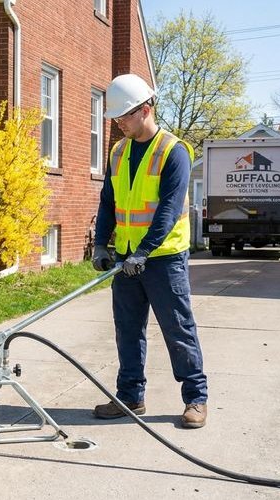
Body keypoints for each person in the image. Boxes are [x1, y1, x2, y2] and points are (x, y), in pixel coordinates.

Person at [91, 73, 208, 428]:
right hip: (128, 257)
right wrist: (100, 243)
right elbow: (108, 201)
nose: (118, 123)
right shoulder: (118, 151)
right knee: (127, 329)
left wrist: (145, 251)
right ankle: (130, 396)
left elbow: (169, 210)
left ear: (145, 110)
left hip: (163, 259)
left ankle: (196, 398)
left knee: (178, 328)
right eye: (115, 118)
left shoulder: (174, 152)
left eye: (123, 116)